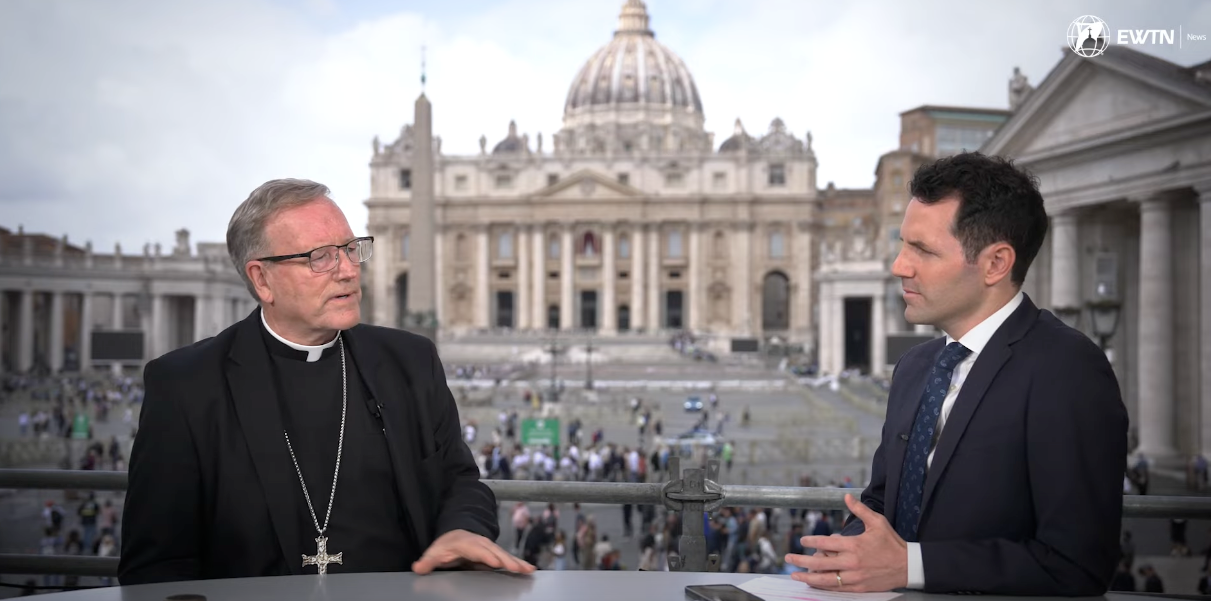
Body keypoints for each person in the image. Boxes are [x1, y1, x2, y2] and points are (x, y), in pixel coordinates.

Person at [119, 179, 533, 584]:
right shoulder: (186, 386)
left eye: (351, 250)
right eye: (320, 257)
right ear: (262, 279)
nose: (349, 271)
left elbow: (459, 480)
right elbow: (157, 567)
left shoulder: (411, 361)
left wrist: (462, 528)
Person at [785, 153, 1127, 595]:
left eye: (923, 250)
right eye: (903, 244)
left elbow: (1077, 564)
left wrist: (911, 566)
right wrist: (847, 554)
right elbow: (882, 501)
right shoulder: (914, 366)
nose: (899, 266)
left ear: (995, 263)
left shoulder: (1067, 369)